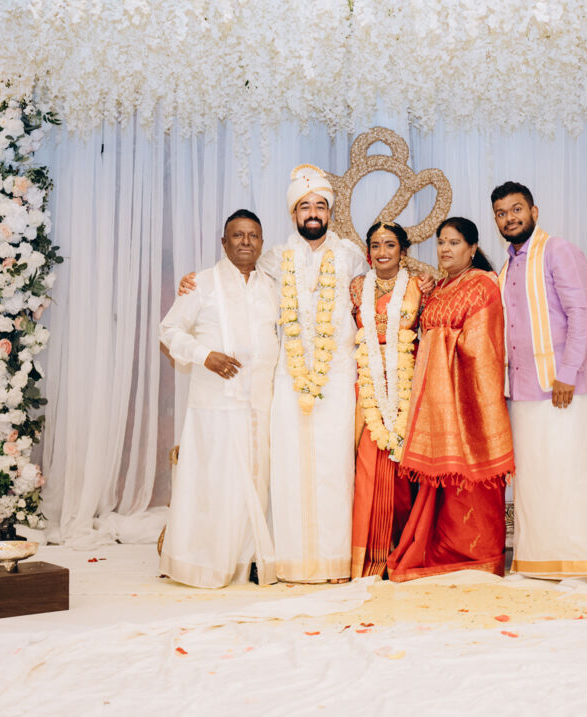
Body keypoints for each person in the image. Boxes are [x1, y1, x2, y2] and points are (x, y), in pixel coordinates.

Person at [492, 181, 587, 578]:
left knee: (571, 472)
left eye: (516, 209)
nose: (510, 218)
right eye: (501, 213)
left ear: (534, 211)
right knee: (535, 478)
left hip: (560, 387)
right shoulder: (508, 266)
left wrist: (568, 372)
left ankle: (583, 559)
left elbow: (581, 313)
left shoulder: (557, 250)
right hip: (523, 391)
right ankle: (540, 559)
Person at [387, 217, 514, 581]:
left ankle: (477, 556)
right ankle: (442, 550)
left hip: (468, 404)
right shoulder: (440, 287)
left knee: (469, 484)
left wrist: (439, 341)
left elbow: (483, 348)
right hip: (439, 407)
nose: (445, 249)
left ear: (472, 248)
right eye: (441, 242)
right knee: (442, 485)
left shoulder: (483, 284)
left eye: (454, 242)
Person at [158, 209, 278, 588]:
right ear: (224, 242)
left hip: (261, 405)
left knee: (258, 482)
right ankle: (208, 562)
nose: (246, 241)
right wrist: (204, 355)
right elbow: (169, 330)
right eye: (237, 235)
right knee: (216, 485)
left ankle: (251, 557)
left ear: (262, 243)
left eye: (253, 235)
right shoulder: (202, 283)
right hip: (216, 406)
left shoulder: (271, 287)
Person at [264, 165, 368, 582]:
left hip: (337, 376)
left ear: (330, 212)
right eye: (304, 206)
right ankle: (291, 560)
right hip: (288, 378)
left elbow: (376, 298)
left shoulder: (351, 256)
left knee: (334, 467)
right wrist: (193, 283)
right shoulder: (274, 259)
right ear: (293, 213)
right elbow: (240, 281)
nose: (312, 213)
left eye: (320, 206)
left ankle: (334, 560)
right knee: (288, 465)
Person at [350, 222, 422, 579]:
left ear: (403, 252)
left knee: (402, 473)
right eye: (376, 245)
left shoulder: (420, 286)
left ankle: (400, 552)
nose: (382, 252)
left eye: (390, 245)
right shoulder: (355, 288)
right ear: (368, 252)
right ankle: (367, 559)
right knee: (367, 466)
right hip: (366, 383)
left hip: (406, 381)